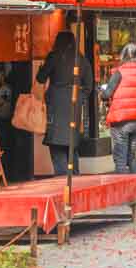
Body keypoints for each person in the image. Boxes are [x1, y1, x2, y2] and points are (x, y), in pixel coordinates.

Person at [36, 30, 93, 176]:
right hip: (74, 103)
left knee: (56, 142)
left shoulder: (54, 57)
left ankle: (62, 179)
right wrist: (79, 97)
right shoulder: (81, 59)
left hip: (56, 102)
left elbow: (41, 78)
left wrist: (42, 67)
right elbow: (89, 85)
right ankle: (74, 176)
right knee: (71, 143)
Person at [101, 43, 136, 174]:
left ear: (123, 56)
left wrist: (102, 90)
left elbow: (107, 94)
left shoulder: (119, 73)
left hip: (120, 121)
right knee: (131, 156)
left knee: (120, 158)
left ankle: (123, 193)